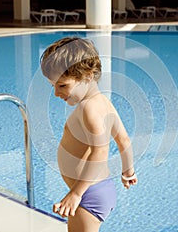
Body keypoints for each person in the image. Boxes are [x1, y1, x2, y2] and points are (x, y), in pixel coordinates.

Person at [41, 37, 138, 232]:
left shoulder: (89, 109)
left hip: (88, 195)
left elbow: (100, 153)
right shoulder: (103, 102)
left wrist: (76, 194)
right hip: (98, 189)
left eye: (62, 85)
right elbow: (123, 140)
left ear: (87, 76)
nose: (56, 93)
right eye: (53, 86)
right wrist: (128, 171)